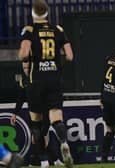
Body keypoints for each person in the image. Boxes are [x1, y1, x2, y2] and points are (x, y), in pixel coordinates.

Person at [18, 0, 73, 168]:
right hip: (54, 79)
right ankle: (63, 142)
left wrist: (28, 59)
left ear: (33, 13)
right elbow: (70, 56)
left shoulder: (29, 30)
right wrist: (56, 64)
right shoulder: (58, 30)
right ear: (47, 12)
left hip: (37, 80)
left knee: (36, 122)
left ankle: (41, 160)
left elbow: (23, 54)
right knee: (56, 118)